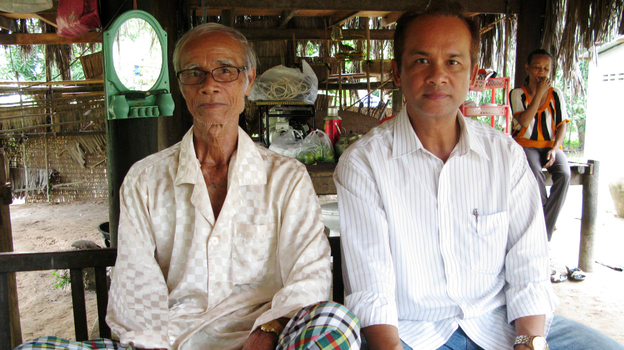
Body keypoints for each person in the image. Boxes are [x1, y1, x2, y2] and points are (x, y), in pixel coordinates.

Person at [15, 23, 360, 350]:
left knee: (337, 323)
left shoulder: (286, 178)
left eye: (225, 70)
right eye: (194, 73)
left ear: (249, 80)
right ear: (182, 87)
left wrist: (270, 332)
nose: (209, 85)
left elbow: (309, 275)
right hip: (171, 338)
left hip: (261, 338)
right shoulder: (145, 180)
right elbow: (135, 286)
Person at [333, 3, 624, 350]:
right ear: (398, 72)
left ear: (472, 76)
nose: (437, 75)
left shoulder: (505, 156)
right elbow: (371, 287)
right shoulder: (363, 164)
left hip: (502, 324)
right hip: (410, 333)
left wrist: (528, 341)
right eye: (421, 60)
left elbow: (528, 264)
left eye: (453, 62)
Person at [510, 49, 571, 243]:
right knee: (533, 171)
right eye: (536, 67)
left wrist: (555, 148)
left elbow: (562, 125)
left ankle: (543, 231)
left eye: (546, 69)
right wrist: (539, 94)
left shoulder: (556, 94)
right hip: (526, 145)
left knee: (565, 174)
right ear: (527, 68)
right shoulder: (518, 93)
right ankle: (544, 223)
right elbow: (525, 121)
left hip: (550, 146)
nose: (541, 72)